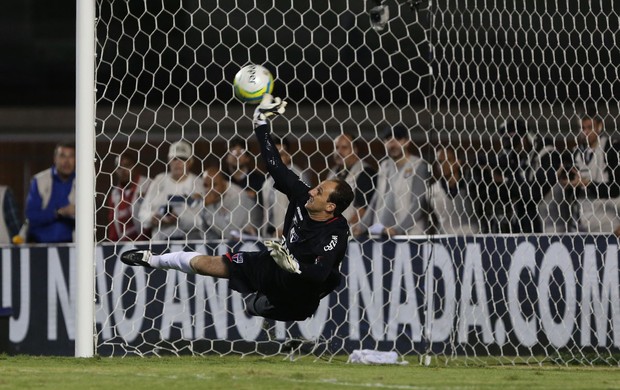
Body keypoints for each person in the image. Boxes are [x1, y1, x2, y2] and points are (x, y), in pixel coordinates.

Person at [121, 94, 354, 321]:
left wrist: (295, 266)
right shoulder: (302, 196)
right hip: (273, 264)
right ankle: (151, 259)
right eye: (316, 187)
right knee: (209, 264)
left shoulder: (335, 231)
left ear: (331, 207)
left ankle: (266, 304)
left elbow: (321, 272)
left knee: (320, 286)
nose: (312, 191)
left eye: (320, 192)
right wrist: (260, 123)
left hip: (299, 291)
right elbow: (275, 166)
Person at [474, 118, 562, 234]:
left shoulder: (548, 154)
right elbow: (503, 195)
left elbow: (535, 192)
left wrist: (504, 180)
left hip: (551, 230)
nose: (513, 151)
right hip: (524, 230)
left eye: (515, 145)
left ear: (524, 138)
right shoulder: (517, 159)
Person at [355, 125, 430, 237]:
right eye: (388, 139)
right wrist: (361, 226)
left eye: (398, 139)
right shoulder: (384, 166)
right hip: (381, 233)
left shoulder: (418, 166)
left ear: (407, 142)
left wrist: (398, 230)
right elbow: (375, 200)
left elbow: (418, 204)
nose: (393, 143)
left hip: (409, 236)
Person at [560, 110, 620, 233]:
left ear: (599, 126)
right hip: (581, 220)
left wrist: (587, 184)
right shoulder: (576, 152)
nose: (586, 132)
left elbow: (616, 189)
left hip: (606, 220)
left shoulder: (610, 149)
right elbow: (572, 190)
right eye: (582, 128)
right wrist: (569, 184)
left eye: (589, 127)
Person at [137, 140, 203, 241]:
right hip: (160, 243)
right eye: (175, 159)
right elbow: (142, 213)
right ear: (169, 160)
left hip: (190, 243)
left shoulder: (198, 183)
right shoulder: (159, 181)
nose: (178, 163)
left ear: (190, 162)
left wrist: (179, 219)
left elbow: (202, 220)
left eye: (183, 159)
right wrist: (152, 218)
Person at [260, 135, 313, 237]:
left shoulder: (297, 176)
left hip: (291, 235)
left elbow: (305, 207)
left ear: (288, 156)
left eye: (281, 155)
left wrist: (286, 229)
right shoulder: (268, 182)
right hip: (271, 236)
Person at [25, 141, 76, 243]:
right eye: (62, 156)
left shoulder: (83, 183)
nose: (67, 161)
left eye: (71, 156)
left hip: (71, 246)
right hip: (38, 245)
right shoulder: (39, 180)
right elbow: (31, 216)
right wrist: (59, 213)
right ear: (55, 159)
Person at [326, 133, 376, 232]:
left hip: (354, 234)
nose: (339, 151)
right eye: (336, 147)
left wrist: (342, 229)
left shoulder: (365, 172)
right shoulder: (331, 173)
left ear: (355, 150)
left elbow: (363, 209)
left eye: (344, 147)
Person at [195, 166, 259, 240]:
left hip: (252, 241)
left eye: (214, 185)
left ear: (223, 183)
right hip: (222, 242)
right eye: (206, 185)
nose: (209, 189)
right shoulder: (208, 197)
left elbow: (230, 233)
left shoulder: (238, 196)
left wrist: (209, 207)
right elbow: (204, 231)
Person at [428, 145, 478, 235]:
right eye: (440, 162)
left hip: (472, 238)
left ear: (458, 162)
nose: (443, 165)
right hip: (443, 239)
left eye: (448, 160)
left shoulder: (472, 187)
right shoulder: (432, 191)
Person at [106, 152, 151, 241]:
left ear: (135, 166)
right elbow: (113, 225)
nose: (123, 170)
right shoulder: (115, 194)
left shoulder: (148, 185)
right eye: (119, 167)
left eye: (127, 166)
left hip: (148, 243)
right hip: (123, 246)